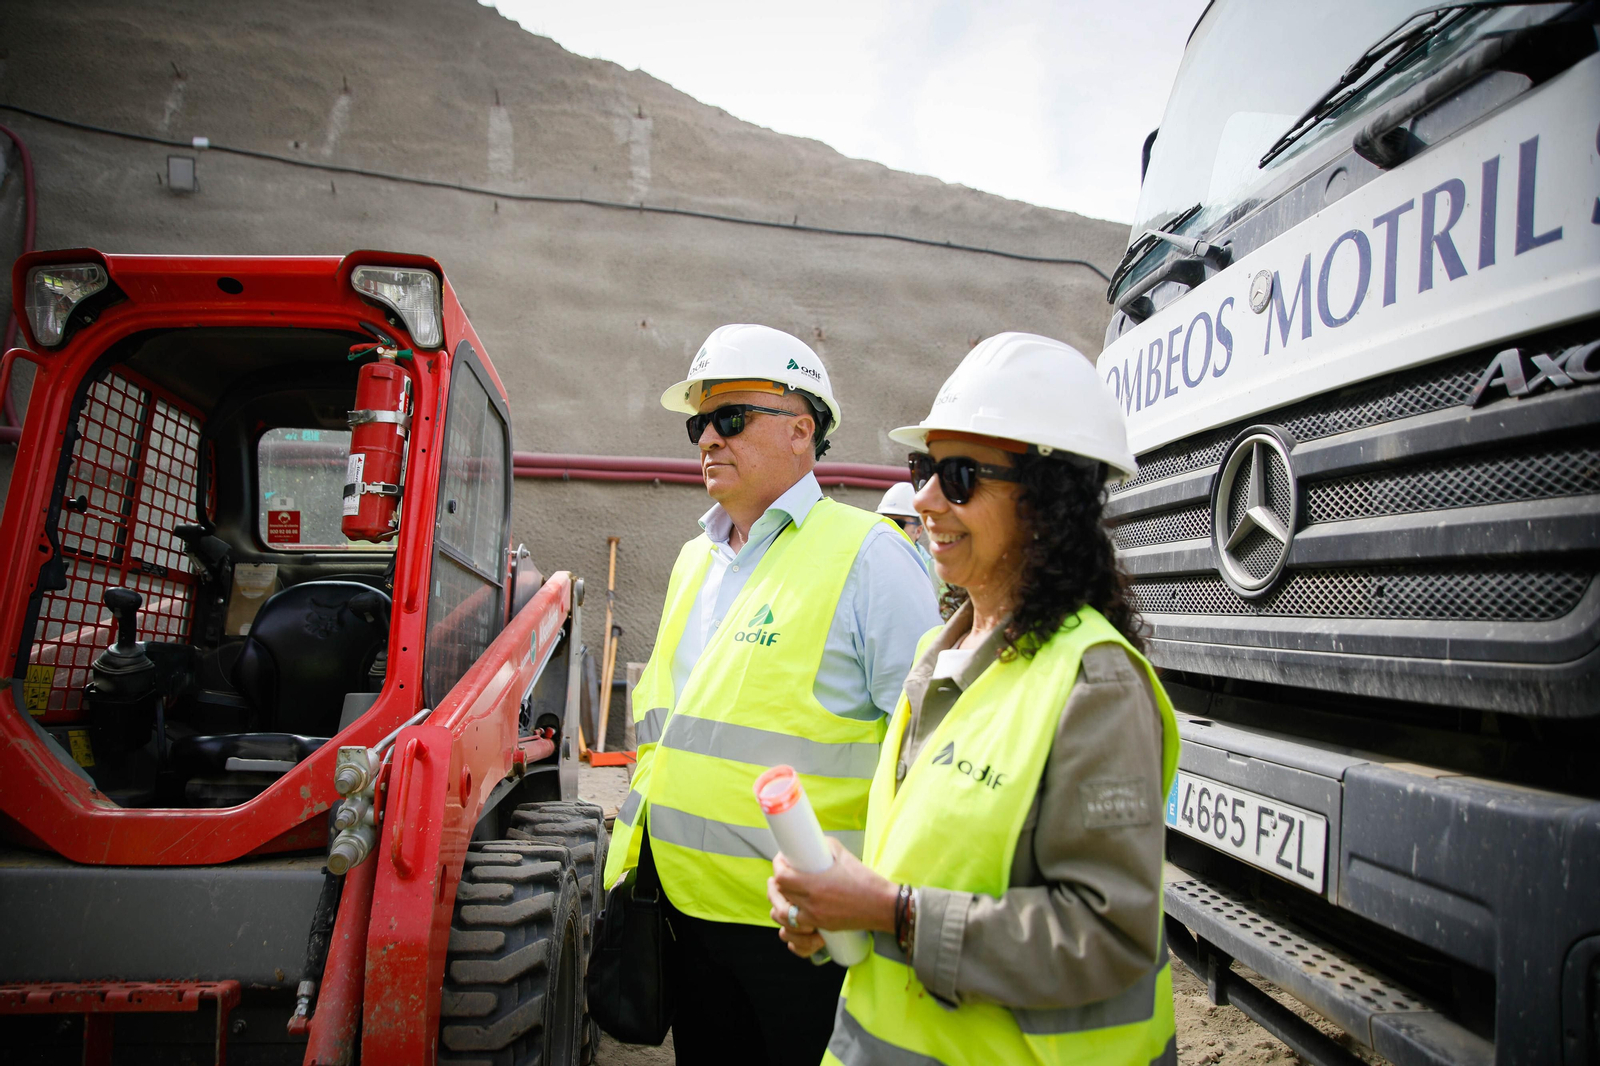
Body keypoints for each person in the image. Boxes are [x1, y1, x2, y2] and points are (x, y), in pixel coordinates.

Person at [767, 332, 1180, 1066]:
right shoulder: (937, 655)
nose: (925, 499)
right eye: (923, 468)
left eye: (959, 476)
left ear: (1046, 502)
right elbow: (936, 862)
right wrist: (840, 910)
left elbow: (1108, 940)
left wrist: (892, 912)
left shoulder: (1096, 686)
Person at [602, 324, 943, 1066]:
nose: (707, 439)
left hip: (806, 931)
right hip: (686, 916)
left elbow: (928, 754)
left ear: (800, 430)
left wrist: (891, 906)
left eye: (729, 418)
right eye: (699, 424)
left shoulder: (870, 557)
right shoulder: (694, 561)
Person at [874, 481, 934, 576]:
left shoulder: (935, 575)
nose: (889, 530)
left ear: (918, 531)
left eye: (898, 524)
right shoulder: (869, 564)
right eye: (885, 522)